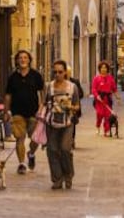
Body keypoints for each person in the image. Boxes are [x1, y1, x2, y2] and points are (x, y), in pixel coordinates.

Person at [4, 50, 44, 174]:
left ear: (29, 60)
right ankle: (21, 163)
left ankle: (31, 154)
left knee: (35, 140)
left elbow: (42, 93)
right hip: (17, 113)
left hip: (33, 113)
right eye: (20, 58)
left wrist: (41, 109)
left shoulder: (36, 75)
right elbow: (8, 96)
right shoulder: (12, 77)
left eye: (25, 57)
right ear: (16, 61)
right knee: (19, 138)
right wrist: (6, 111)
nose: (23, 60)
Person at [45, 59, 80, 189]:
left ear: (65, 72)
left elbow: (77, 106)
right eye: (55, 72)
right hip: (51, 122)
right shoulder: (49, 86)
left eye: (60, 72)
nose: (57, 74)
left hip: (67, 122)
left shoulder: (72, 87)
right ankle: (57, 179)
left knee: (65, 149)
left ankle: (68, 175)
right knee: (52, 150)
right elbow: (44, 103)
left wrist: (70, 106)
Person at [91, 60, 120, 136]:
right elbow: (93, 89)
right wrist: (97, 96)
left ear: (107, 69)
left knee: (107, 115)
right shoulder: (96, 78)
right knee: (99, 114)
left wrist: (118, 97)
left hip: (108, 100)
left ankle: (106, 130)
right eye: (102, 68)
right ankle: (98, 126)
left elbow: (114, 89)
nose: (103, 69)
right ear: (99, 69)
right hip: (99, 100)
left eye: (105, 68)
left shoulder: (110, 78)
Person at [66, 65, 84, 148]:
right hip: (62, 108)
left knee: (72, 125)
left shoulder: (75, 82)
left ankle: (72, 140)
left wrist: (73, 98)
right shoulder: (58, 82)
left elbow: (81, 93)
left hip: (73, 107)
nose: (67, 75)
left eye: (68, 73)